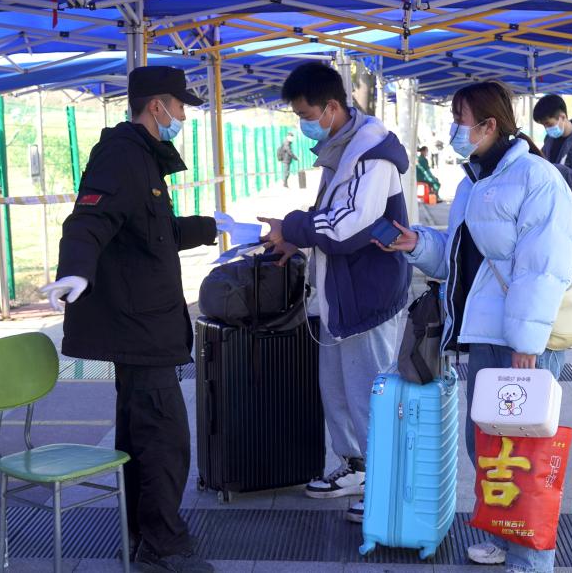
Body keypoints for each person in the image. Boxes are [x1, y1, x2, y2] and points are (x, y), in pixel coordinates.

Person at [382, 81, 572, 572]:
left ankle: (531, 558)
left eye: (460, 119)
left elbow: (543, 265)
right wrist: (418, 245)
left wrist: (527, 343)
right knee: (487, 444)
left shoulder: (536, 177)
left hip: (522, 337)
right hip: (486, 331)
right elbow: (463, 258)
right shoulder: (475, 180)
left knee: (526, 449)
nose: (454, 128)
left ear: (489, 125)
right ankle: (503, 536)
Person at [39, 66, 218, 573]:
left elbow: (152, 232)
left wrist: (213, 227)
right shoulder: (121, 154)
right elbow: (89, 218)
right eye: (180, 106)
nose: (183, 116)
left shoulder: (143, 156)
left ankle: (144, 533)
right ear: (157, 106)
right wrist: (75, 271)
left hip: (146, 322)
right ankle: (164, 546)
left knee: (142, 436)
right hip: (139, 328)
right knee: (164, 440)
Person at [258, 61, 412, 524]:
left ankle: (385, 484)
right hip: (339, 292)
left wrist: (292, 227)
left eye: (306, 115)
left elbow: (346, 226)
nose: (303, 125)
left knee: (368, 392)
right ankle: (355, 467)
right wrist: (295, 241)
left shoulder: (371, 154)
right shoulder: (340, 148)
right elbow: (330, 215)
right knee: (338, 390)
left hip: (368, 293)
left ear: (330, 107)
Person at [533, 94, 572, 316]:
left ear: (563, 117)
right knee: (559, 270)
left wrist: (553, 169)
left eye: (549, 123)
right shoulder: (551, 140)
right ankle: (565, 319)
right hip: (555, 217)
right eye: (543, 125)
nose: (547, 129)